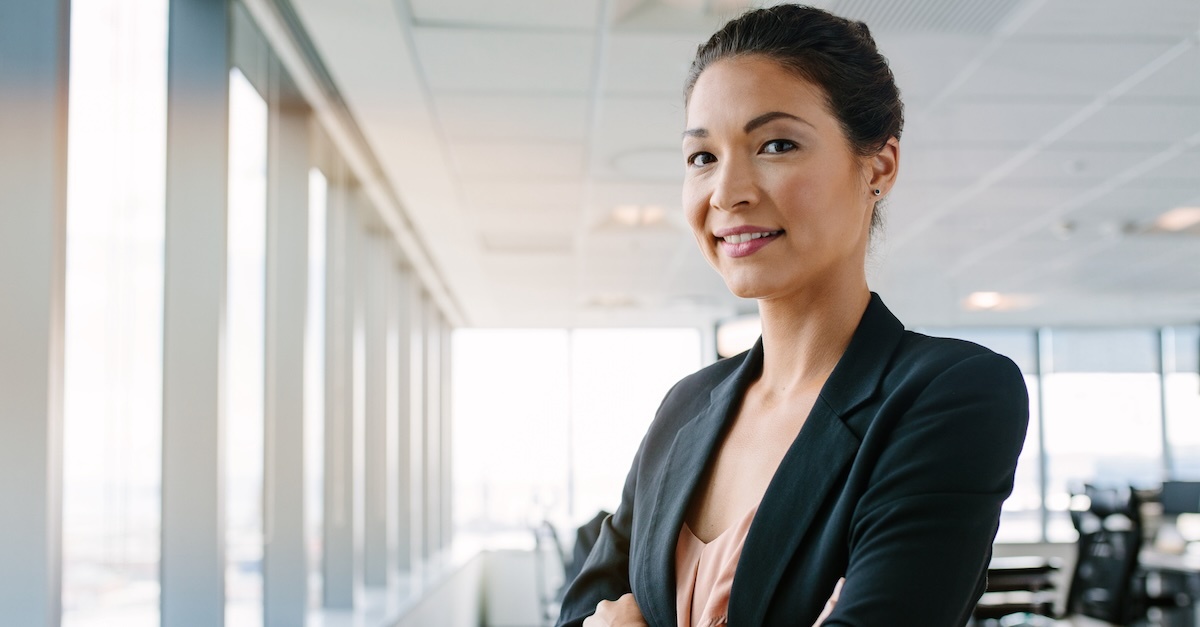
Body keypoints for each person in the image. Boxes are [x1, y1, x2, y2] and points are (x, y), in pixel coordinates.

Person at [555, 4, 1030, 627]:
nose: (728, 192)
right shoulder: (685, 408)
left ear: (878, 166)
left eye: (776, 145)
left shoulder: (950, 394)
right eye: (703, 158)